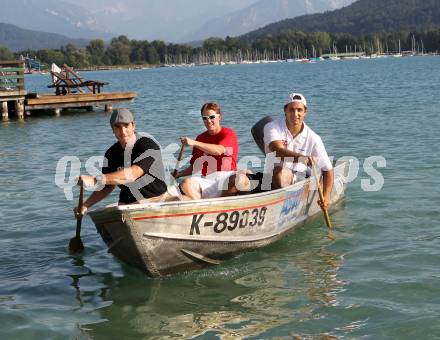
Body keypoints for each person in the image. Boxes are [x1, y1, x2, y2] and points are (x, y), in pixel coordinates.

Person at [230, 92, 334, 210]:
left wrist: (326, 196)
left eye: (299, 110)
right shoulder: (272, 127)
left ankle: (275, 208)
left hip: (299, 181)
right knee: (235, 180)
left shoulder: (314, 138)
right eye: (292, 110)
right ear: (285, 110)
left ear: (305, 112)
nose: (295, 114)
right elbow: (277, 151)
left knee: (279, 173)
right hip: (270, 179)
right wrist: (303, 158)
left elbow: (328, 170)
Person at [74, 108, 168, 216]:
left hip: (156, 199)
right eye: (118, 127)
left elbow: (133, 174)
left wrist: (95, 180)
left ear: (133, 126)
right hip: (127, 203)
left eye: (126, 125)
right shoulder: (111, 154)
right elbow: (107, 186)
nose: (122, 131)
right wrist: (85, 205)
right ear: (112, 130)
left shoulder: (148, 146)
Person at [173, 102, 239, 199]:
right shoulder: (200, 138)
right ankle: (202, 209)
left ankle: (222, 205)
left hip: (227, 178)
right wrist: (179, 174)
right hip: (207, 180)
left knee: (240, 178)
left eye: (212, 117)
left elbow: (219, 150)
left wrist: (194, 143)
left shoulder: (229, 134)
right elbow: (195, 167)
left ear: (219, 117)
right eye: (205, 118)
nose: (208, 121)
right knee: (186, 184)